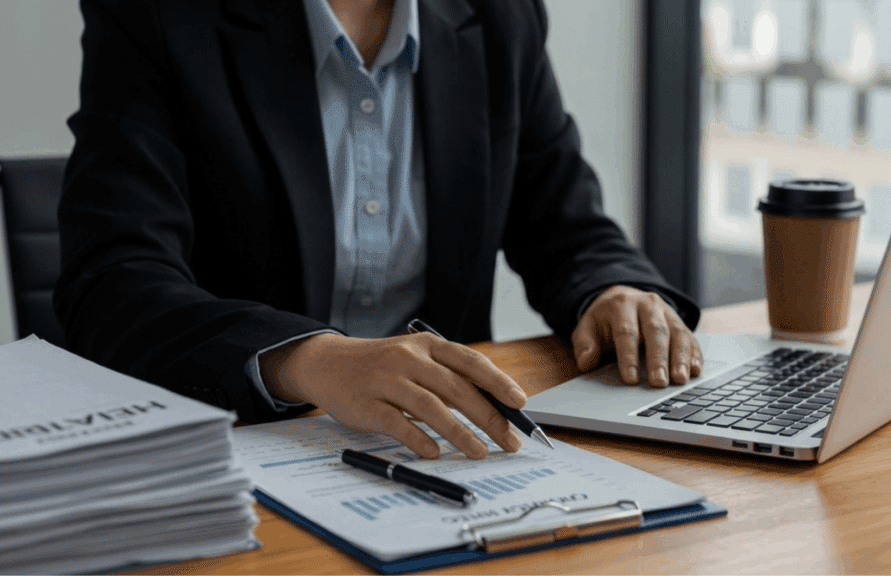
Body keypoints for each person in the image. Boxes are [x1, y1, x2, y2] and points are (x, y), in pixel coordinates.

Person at [56, 0, 703, 460]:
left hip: (444, 449)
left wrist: (614, 290)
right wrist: (310, 360)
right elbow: (112, 281)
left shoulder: (502, 16)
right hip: (234, 449)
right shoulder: (156, 15)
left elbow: (567, 222)